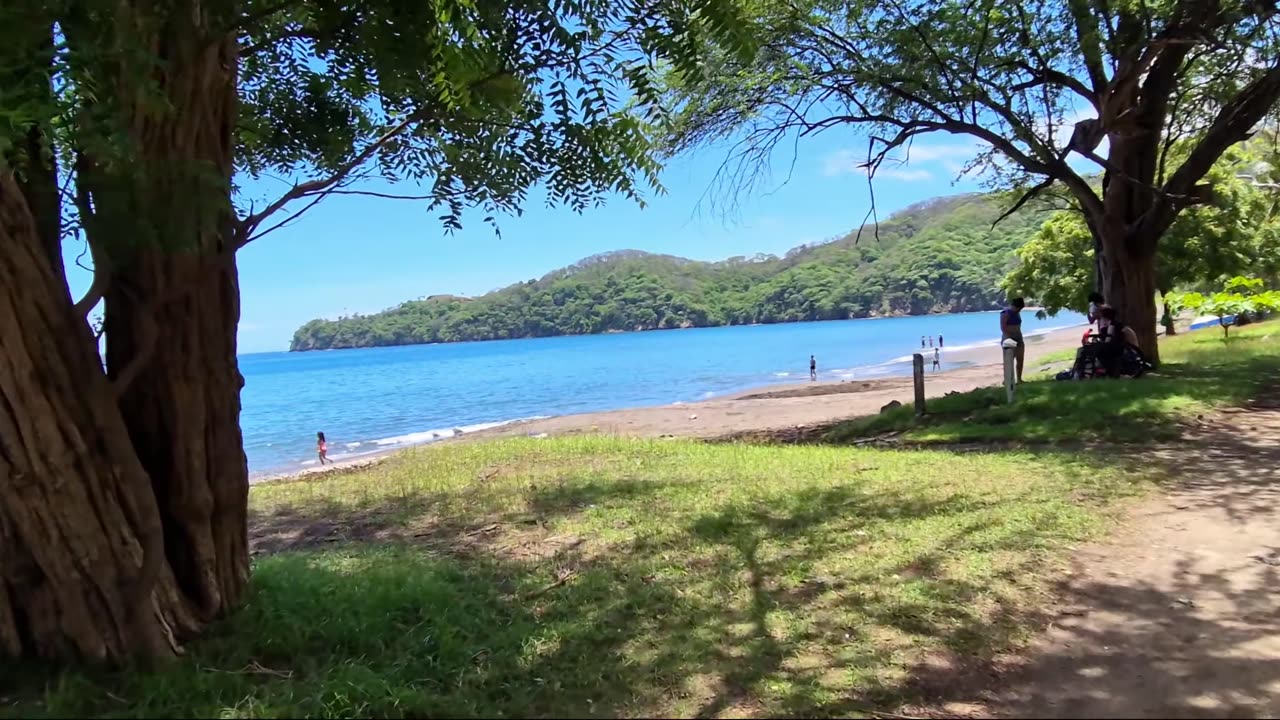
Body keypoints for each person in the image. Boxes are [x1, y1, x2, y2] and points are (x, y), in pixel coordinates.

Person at [1000, 297, 1026, 383]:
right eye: (1019, 308)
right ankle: (1007, 379)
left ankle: (1019, 379)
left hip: (1018, 337)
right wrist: (1009, 339)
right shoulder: (1005, 313)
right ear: (1014, 306)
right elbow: (1003, 328)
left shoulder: (1017, 313)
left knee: (1020, 359)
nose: (1019, 310)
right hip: (1008, 338)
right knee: (1009, 360)